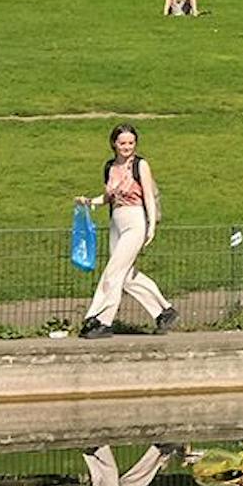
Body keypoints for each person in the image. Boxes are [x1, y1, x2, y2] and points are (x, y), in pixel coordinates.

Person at [79, 124, 177, 339]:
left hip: (136, 220)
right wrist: (90, 202)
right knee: (126, 276)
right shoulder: (109, 167)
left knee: (113, 272)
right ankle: (163, 310)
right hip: (116, 221)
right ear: (114, 143)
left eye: (131, 143)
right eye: (122, 143)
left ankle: (100, 319)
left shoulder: (140, 165)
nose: (127, 147)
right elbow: (109, 196)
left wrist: (151, 225)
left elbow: (148, 196)